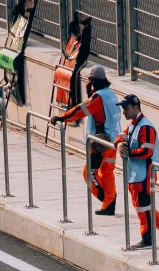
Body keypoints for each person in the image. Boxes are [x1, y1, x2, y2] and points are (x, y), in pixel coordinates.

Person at [51, 65, 121, 215]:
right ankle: (109, 204)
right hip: (114, 142)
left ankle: (107, 200)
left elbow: (80, 110)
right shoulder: (111, 94)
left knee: (88, 173)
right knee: (107, 172)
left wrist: (62, 118)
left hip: (100, 144)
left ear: (93, 81)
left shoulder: (98, 98)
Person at [115, 94, 159, 250]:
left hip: (144, 174)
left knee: (143, 207)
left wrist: (128, 151)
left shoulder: (145, 126)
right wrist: (119, 145)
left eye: (126, 109)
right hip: (136, 174)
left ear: (136, 108)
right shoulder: (133, 125)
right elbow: (121, 136)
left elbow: (146, 151)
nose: (123, 112)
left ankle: (148, 238)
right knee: (142, 206)